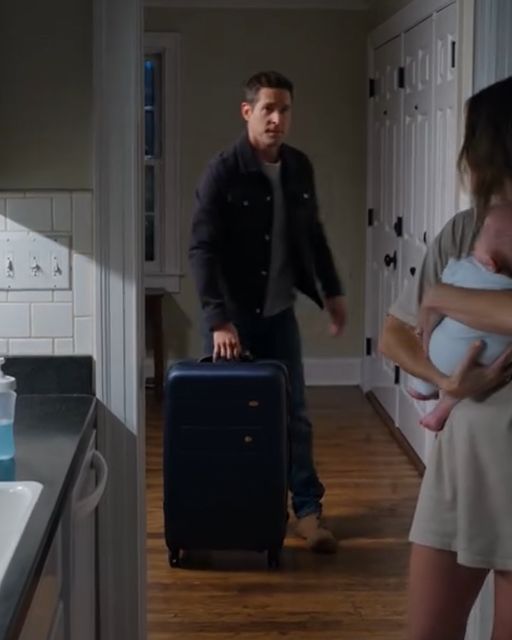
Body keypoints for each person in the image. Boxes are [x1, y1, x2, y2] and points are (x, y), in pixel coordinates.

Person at [188, 70, 347, 554]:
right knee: (230, 420)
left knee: (295, 416)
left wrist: (332, 291)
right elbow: (202, 249)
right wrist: (218, 321)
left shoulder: (298, 167)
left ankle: (307, 513)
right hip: (232, 322)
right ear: (247, 112)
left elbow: (313, 235)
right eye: (267, 109)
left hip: (280, 314)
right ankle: (238, 510)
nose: (277, 118)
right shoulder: (222, 171)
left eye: (284, 109)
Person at [379, 75, 512, 640]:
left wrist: (440, 295)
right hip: (458, 464)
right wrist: (447, 380)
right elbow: (393, 335)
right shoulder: (463, 231)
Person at [407, 203, 512, 431]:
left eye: (477, 244)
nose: (472, 249)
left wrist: (438, 297)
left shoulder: (465, 268)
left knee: (434, 335)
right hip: (493, 361)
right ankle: (444, 407)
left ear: (491, 262)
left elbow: (436, 292)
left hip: (443, 353)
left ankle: (422, 386)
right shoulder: (461, 225)